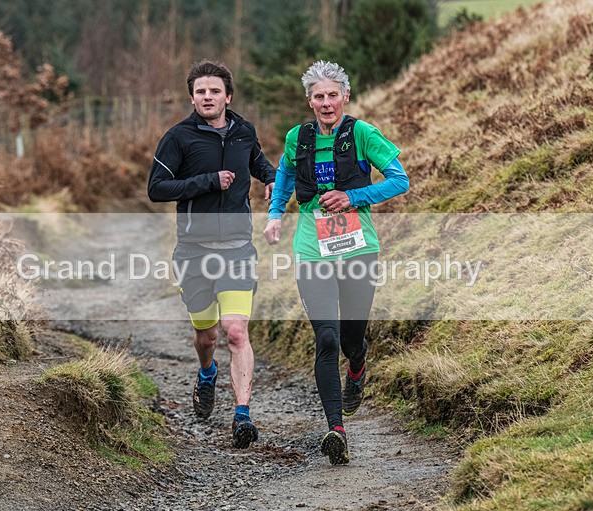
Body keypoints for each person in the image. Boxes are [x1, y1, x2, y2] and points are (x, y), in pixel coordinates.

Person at [263, 60, 409, 465]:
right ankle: (336, 430)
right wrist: (275, 214)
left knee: (350, 340)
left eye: (332, 95)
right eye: (318, 96)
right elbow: (285, 176)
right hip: (312, 249)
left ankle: (357, 365)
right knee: (326, 338)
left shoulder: (362, 134)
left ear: (345, 96)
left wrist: (352, 197)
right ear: (309, 101)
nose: (326, 103)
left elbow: (399, 180)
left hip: (358, 248)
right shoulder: (298, 137)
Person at [148, 60, 276, 449]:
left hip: (237, 249)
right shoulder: (178, 138)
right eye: (201, 91)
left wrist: (272, 178)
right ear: (192, 98)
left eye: (214, 91)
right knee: (206, 335)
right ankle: (207, 373)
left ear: (227, 97)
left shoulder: (243, 131)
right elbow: (157, 188)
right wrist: (207, 181)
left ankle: (242, 415)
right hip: (194, 252)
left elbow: (257, 161)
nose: (207, 97)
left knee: (235, 331)